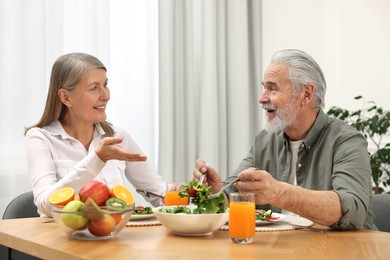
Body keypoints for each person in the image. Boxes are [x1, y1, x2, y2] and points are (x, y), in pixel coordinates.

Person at [193, 49, 376, 230]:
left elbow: (353, 210)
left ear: (306, 94)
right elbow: (233, 193)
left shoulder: (347, 141)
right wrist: (215, 193)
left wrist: (280, 193)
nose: (262, 98)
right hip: (280, 249)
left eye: (272, 88)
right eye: (264, 87)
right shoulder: (264, 141)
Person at [25, 52, 176, 217]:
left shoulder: (117, 136)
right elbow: (46, 205)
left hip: (116, 237)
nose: (106, 96)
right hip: (62, 240)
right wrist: (97, 159)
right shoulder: (40, 138)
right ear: (65, 97)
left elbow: (161, 196)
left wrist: (200, 189)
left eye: (105, 84)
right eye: (94, 88)